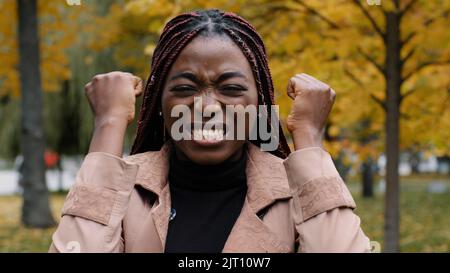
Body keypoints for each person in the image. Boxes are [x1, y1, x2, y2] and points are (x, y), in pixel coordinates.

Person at [49, 9, 370, 253]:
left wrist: (310, 137)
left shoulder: (296, 191)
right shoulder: (123, 191)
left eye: (230, 88)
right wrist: (108, 125)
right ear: (159, 101)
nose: (206, 106)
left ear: (260, 103)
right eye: (185, 87)